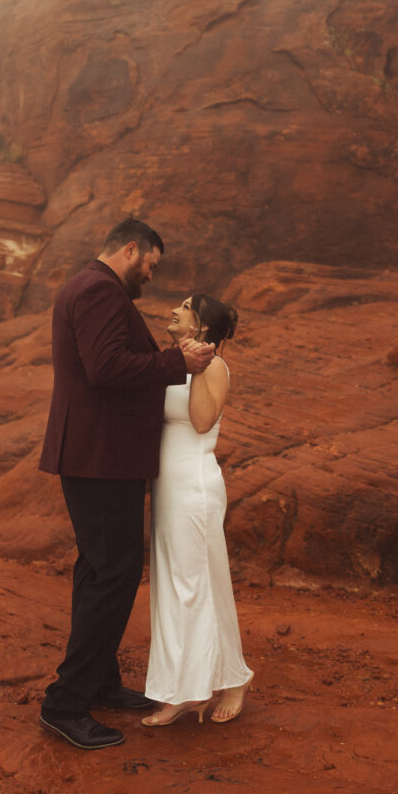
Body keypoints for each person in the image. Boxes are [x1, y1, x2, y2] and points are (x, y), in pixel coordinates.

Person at [38, 219, 215, 750]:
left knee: (99, 568)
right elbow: (106, 366)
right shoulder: (98, 290)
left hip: (97, 454)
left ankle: (98, 682)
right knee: (114, 571)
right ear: (132, 249)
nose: (150, 277)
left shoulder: (88, 286)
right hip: (100, 456)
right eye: (151, 266)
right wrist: (176, 362)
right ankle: (65, 704)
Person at [142, 293, 253, 727]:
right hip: (167, 486)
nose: (174, 309)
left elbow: (203, 421)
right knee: (172, 588)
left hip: (195, 488)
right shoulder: (173, 361)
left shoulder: (217, 366)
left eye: (185, 306)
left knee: (199, 585)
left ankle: (234, 677)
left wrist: (200, 364)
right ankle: (183, 691)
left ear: (201, 326)